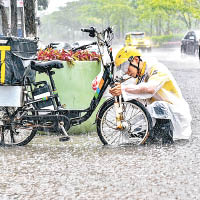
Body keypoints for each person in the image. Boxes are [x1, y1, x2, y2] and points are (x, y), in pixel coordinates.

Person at [109, 46, 192, 144]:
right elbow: (137, 101)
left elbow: (150, 89)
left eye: (125, 66)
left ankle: (166, 143)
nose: (126, 71)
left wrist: (123, 89)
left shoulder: (157, 68)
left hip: (177, 119)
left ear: (135, 60)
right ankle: (154, 136)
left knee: (159, 106)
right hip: (160, 117)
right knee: (134, 130)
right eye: (122, 69)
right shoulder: (140, 77)